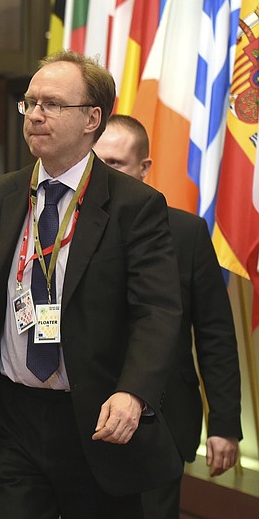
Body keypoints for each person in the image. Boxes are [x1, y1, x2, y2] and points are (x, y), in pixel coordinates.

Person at [0, 50, 184, 518]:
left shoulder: (134, 204)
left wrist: (135, 391)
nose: (35, 114)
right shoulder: (6, 191)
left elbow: (158, 311)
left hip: (93, 417)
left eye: (51, 104)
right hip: (13, 416)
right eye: (29, 103)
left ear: (92, 118)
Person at [94, 114, 242, 518]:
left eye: (116, 164)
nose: (103, 174)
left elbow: (215, 334)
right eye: (95, 161)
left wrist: (224, 423)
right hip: (86, 418)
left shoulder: (186, 233)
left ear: (144, 169)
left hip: (162, 422)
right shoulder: (66, 232)